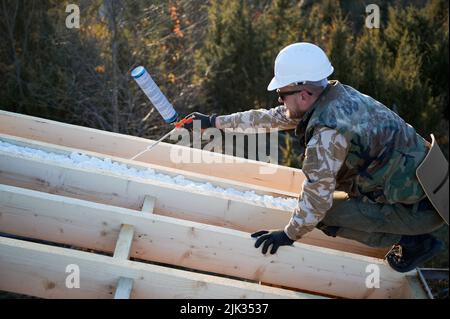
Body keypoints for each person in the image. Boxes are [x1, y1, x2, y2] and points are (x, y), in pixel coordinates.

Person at [183, 42, 448, 273]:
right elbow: (272, 117)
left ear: (304, 94)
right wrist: (214, 122)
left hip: (418, 211)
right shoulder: (338, 95)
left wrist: (288, 235)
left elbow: (315, 203)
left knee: (323, 215)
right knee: (331, 188)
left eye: (281, 94)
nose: (280, 101)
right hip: (428, 189)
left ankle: (413, 241)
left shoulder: (327, 135)